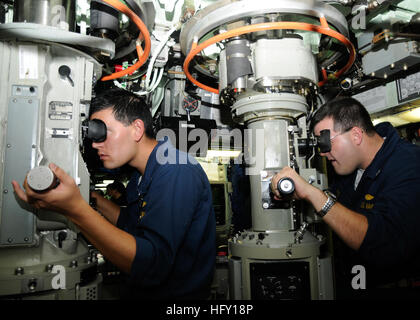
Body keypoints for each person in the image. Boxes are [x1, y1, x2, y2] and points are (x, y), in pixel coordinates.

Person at [12, 88, 216, 300]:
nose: (95, 144)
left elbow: (151, 264)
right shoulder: (140, 176)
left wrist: (75, 210)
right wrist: (92, 199)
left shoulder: (176, 169)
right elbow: (130, 224)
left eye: (102, 132)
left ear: (136, 129)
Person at [270, 97, 420, 298]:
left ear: (356, 135)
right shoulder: (349, 170)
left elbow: (383, 243)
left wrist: (315, 195)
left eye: (325, 142)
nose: (323, 153)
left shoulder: (409, 165)